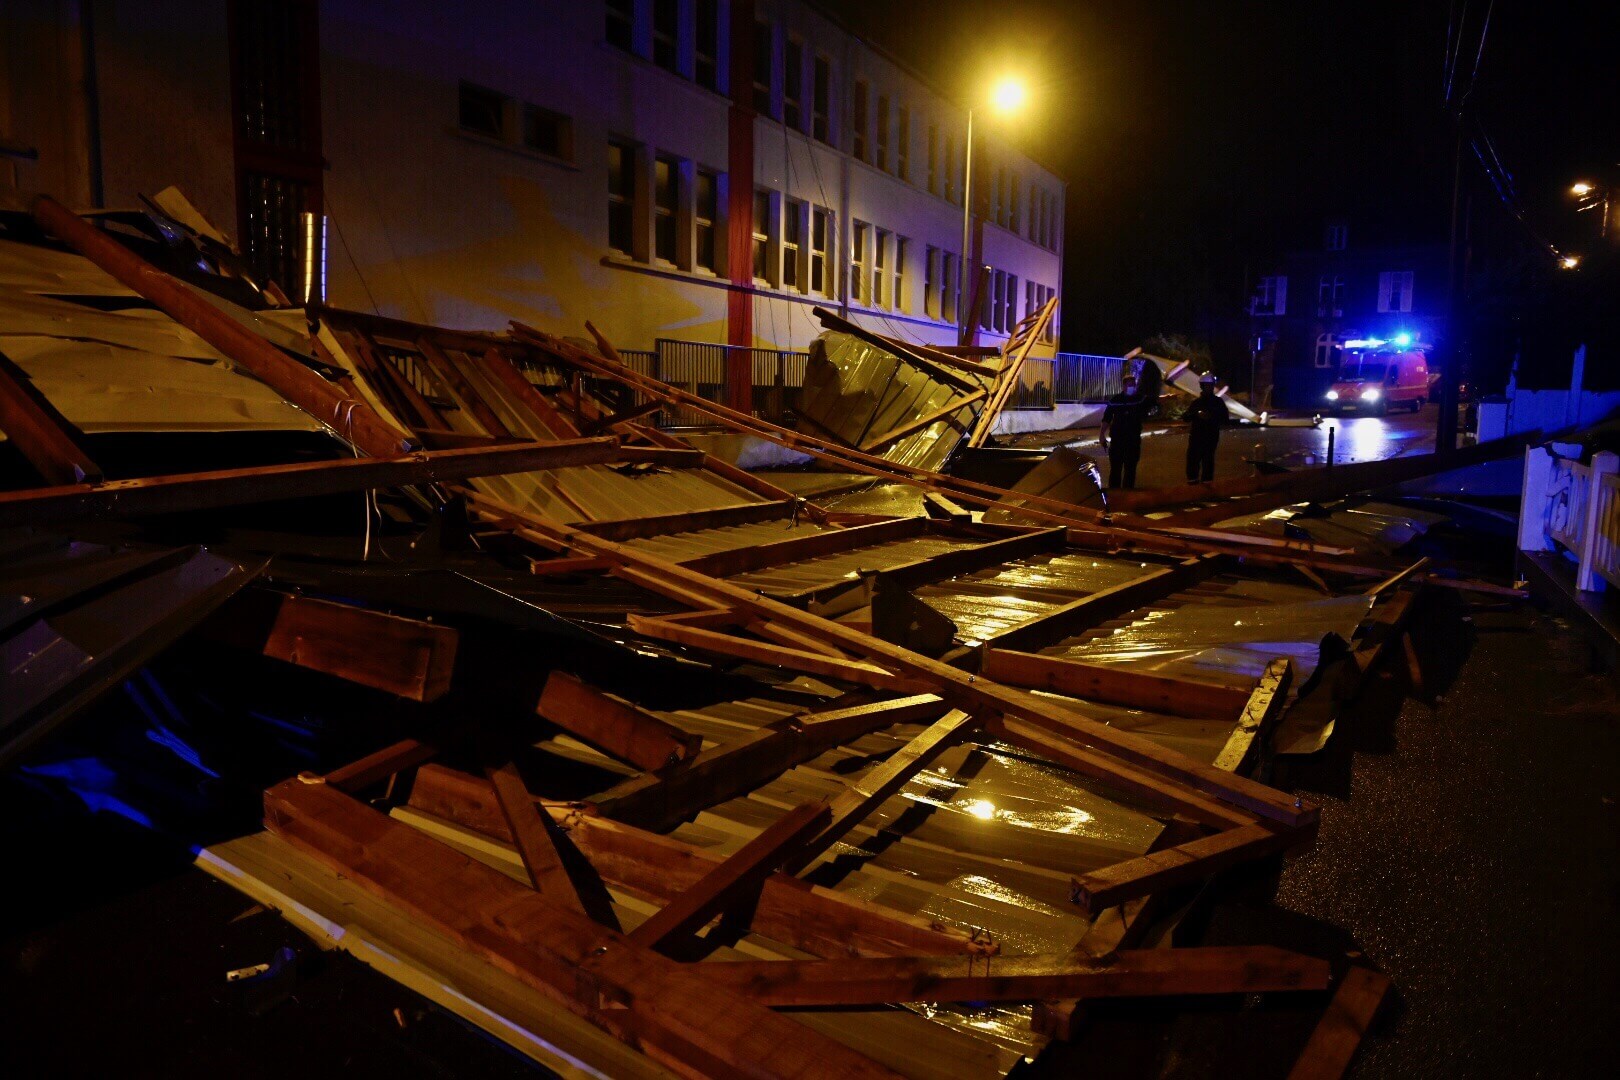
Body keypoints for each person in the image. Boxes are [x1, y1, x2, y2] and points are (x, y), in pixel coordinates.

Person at [1100, 375, 1147, 489]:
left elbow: (1151, 404)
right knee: (1115, 469)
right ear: (1124, 386)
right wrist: (1101, 435)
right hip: (1118, 440)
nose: (1132, 387)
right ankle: (1114, 495)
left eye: (1133, 385)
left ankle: (1127, 494)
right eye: (1130, 385)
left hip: (1133, 440)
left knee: (1130, 469)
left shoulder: (1139, 399)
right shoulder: (1115, 400)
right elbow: (1107, 418)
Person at [1185, 372, 1229, 483]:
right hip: (1197, 437)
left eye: (1210, 385)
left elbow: (1225, 418)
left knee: (1207, 461)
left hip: (1210, 436)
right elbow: (1186, 417)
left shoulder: (1217, 402)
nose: (1209, 388)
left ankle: (1206, 484)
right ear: (1202, 386)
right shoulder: (1196, 403)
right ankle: (1193, 482)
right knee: (1193, 460)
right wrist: (1196, 414)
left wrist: (1211, 417)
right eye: (1207, 385)